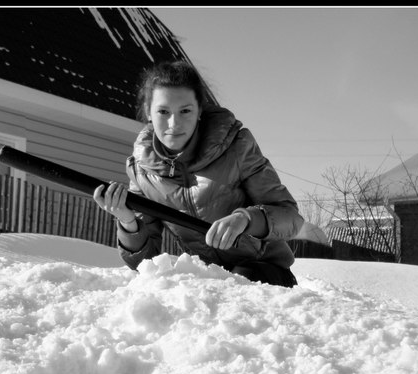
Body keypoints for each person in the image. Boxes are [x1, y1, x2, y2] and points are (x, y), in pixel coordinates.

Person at [93, 60, 305, 288]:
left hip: (265, 275)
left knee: (237, 282)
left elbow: (290, 218)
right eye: (163, 111)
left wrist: (246, 218)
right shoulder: (142, 170)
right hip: (211, 279)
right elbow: (145, 262)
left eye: (185, 111)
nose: (174, 123)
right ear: (148, 112)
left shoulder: (236, 146)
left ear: (199, 111)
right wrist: (127, 221)